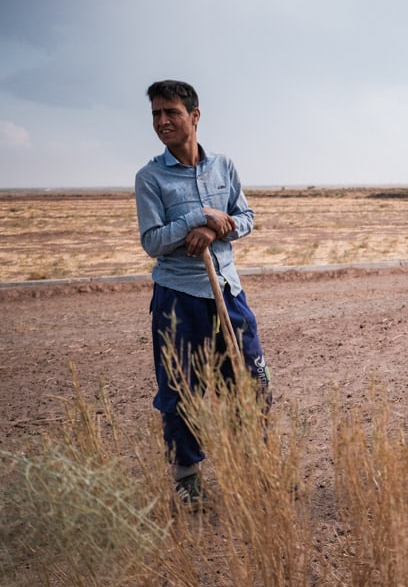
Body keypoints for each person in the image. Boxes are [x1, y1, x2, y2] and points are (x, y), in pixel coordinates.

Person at [135, 80, 271, 508]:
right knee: (181, 388)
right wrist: (199, 214)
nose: (162, 122)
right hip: (178, 296)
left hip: (228, 291)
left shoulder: (223, 166)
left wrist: (214, 227)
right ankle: (187, 480)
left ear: (194, 116)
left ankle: (254, 468)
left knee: (250, 381)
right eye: (156, 114)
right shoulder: (150, 178)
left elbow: (245, 217)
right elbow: (153, 241)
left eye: (170, 112)